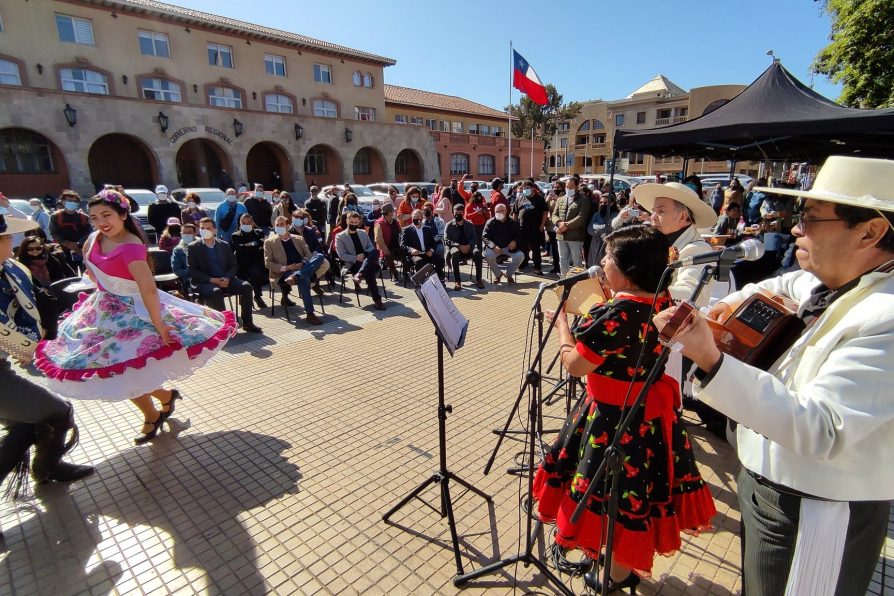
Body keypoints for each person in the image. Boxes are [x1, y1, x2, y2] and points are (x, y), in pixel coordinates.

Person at [653, 155, 894, 596]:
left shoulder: (886, 316)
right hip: (766, 482)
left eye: (810, 217)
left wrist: (714, 360)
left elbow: (823, 428)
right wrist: (724, 310)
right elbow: (779, 285)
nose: (796, 228)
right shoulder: (831, 284)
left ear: (870, 231)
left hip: (818, 507)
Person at [534, 224, 716, 592]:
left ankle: (613, 575)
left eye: (608, 257)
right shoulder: (665, 301)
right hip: (648, 419)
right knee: (636, 494)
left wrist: (563, 326)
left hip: (610, 420)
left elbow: (575, 365)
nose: (601, 262)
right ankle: (620, 568)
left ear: (629, 270)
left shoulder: (616, 313)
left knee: (610, 492)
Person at [33, 190, 237, 444]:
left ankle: (154, 411)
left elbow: (148, 289)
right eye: (94, 217)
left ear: (122, 214)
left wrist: (159, 325)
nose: (101, 222)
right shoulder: (93, 238)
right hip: (103, 311)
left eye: (106, 215)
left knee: (125, 371)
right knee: (117, 371)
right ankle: (163, 399)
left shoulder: (131, 247)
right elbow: (93, 274)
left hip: (135, 312)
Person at [0, 214, 94, 497]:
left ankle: (47, 468)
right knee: (56, 411)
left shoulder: (9, 271)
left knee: (30, 422)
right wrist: (22, 346)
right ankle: (48, 467)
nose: (11, 241)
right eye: (5, 237)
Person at [187, 218, 262, 333]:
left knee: (246, 286)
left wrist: (227, 277)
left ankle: (248, 323)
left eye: (208, 228)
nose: (205, 230)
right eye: (202, 228)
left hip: (225, 278)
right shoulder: (193, 247)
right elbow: (193, 271)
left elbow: (233, 266)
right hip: (206, 282)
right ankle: (224, 326)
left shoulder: (224, 245)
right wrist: (211, 279)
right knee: (216, 292)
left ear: (215, 230)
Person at [264, 216, 328, 324]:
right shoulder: (269, 242)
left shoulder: (298, 238)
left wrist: (302, 263)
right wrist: (287, 268)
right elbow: (268, 263)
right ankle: (310, 314)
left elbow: (308, 255)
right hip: (284, 272)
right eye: (277, 225)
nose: (279, 227)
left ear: (288, 225)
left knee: (320, 256)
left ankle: (297, 275)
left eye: (282, 224)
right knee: (304, 278)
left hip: (302, 267)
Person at [335, 211, 385, 310]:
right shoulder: (340, 236)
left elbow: (371, 248)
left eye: (355, 222)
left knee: (375, 251)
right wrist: (356, 257)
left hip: (367, 260)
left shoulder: (363, 233)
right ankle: (377, 300)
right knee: (369, 270)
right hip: (353, 264)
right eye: (351, 222)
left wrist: (364, 254)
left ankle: (360, 274)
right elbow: (342, 255)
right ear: (347, 221)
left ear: (359, 222)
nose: (353, 224)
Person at [551, 176, 591, 276]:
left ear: (577, 186)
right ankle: (563, 280)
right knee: (563, 259)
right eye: (567, 187)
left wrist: (566, 226)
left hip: (575, 236)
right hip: (561, 236)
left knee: (576, 261)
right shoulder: (561, 199)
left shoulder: (584, 200)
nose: (568, 189)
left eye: (571, 187)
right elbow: (554, 215)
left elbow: (581, 217)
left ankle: (578, 282)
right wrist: (559, 223)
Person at [229, 214, 268, 309]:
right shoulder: (236, 235)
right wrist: (255, 244)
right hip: (242, 263)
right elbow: (239, 248)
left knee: (257, 273)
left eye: (249, 222)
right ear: (240, 223)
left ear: (252, 223)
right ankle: (244, 297)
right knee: (243, 276)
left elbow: (262, 244)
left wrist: (246, 245)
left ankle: (258, 296)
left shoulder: (259, 232)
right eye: (244, 223)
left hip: (256, 261)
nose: (246, 224)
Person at [49, 190, 92, 272]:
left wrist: (78, 244)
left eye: (74, 201)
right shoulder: (55, 217)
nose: (72, 203)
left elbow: (89, 232)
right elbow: (53, 233)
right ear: (63, 201)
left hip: (82, 249)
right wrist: (66, 243)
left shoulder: (84, 217)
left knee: (87, 271)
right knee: (68, 272)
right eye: (69, 201)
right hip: (63, 250)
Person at [444, 204, 484, 290]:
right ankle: (457, 281)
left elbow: (474, 238)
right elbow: (446, 240)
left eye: (460, 212)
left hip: (468, 247)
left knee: (477, 253)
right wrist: (458, 246)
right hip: (456, 247)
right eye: (456, 212)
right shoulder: (449, 225)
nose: (458, 214)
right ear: (453, 213)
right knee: (455, 253)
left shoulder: (469, 224)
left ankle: (478, 279)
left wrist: (469, 245)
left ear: (463, 213)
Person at [483, 203, 524, 284]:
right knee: (487, 255)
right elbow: (485, 237)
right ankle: (498, 274)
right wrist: (493, 246)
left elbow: (520, 235)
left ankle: (509, 274)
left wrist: (515, 241)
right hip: (495, 247)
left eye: (501, 211)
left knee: (520, 255)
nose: (499, 213)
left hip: (508, 247)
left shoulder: (513, 222)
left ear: (506, 211)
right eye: (497, 211)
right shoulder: (490, 223)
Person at [514, 179, 549, 273]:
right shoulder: (520, 198)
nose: (525, 190)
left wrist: (542, 225)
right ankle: (522, 264)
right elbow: (515, 212)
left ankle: (537, 267)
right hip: (522, 228)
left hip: (535, 228)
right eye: (524, 188)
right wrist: (515, 224)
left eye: (527, 188)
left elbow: (545, 212)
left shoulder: (539, 198)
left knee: (536, 249)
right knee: (522, 248)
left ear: (533, 188)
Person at [400, 208, 445, 281]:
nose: (416, 219)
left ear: (422, 218)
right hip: (416, 254)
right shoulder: (407, 230)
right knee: (420, 262)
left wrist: (431, 250)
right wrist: (411, 249)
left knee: (440, 260)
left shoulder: (427, 229)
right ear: (412, 218)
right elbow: (403, 245)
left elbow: (433, 243)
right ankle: (422, 281)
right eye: (414, 217)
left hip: (427, 253)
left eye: (418, 217)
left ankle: (438, 278)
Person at [586, 193, 620, 266]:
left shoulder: (615, 215)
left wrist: (596, 227)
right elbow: (589, 229)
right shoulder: (596, 214)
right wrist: (598, 229)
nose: (602, 204)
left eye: (605, 203)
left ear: (611, 203)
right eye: (601, 202)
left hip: (606, 244)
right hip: (595, 243)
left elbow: (609, 227)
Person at [374, 203, 403, 280]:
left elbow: (402, 233)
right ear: (389, 213)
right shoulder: (379, 223)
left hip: (397, 246)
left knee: (407, 253)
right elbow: (378, 238)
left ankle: (406, 273)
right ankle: (394, 273)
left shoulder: (395, 222)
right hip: (387, 247)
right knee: (388, 255)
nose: (394, 213)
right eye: (393, 211)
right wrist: (385, 249)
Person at [171, 222, 195, 294]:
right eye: (184, 233)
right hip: (190, 280)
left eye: (189, 232)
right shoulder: (178, 250)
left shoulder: (203, 245)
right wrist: (192, 271)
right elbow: (177, 270)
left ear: (195, 233)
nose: (187, 235)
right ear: (181, 234)